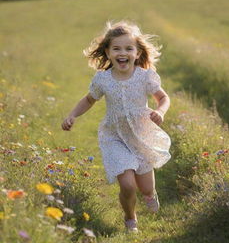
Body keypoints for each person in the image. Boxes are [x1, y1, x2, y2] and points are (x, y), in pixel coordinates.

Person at [62, 20, 171, 233]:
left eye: (128, 48)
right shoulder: (103, 79)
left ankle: (150, 195)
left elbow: (163, 97)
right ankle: (131, 218)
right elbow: (89, 99)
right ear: (108, 52)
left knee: (146, 187)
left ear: (137, 53)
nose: (123, 53)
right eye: (117, 49)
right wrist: (72, 115)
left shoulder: (144, 76)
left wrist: (160, 111)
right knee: (128, 184)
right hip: (114, 137)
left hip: (141, 136)